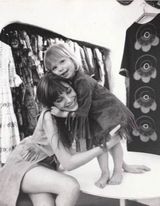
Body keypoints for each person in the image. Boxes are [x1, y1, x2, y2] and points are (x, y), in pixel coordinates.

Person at [0, 73, 149, 206]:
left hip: (46, 166)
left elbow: (99, 136)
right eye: (59, 99)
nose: (69, 99)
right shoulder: (49, 118)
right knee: (70, 186)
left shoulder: (78, 112)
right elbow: (68, 163)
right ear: (52, 104)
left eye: (69, 91)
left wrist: (123, 166)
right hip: (26, 163)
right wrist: (106, 145)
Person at [44, 43, 150, 188]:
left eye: (62, 61)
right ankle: (105, 172)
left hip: (111, 113)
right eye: (54, 68)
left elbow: (83, 110)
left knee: (113, 142)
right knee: (100, 143)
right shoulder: (72, 81)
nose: (60, 68)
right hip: (98, 116)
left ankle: (118, 170)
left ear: (72, 59)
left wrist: (63, 114)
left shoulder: (82, 81)